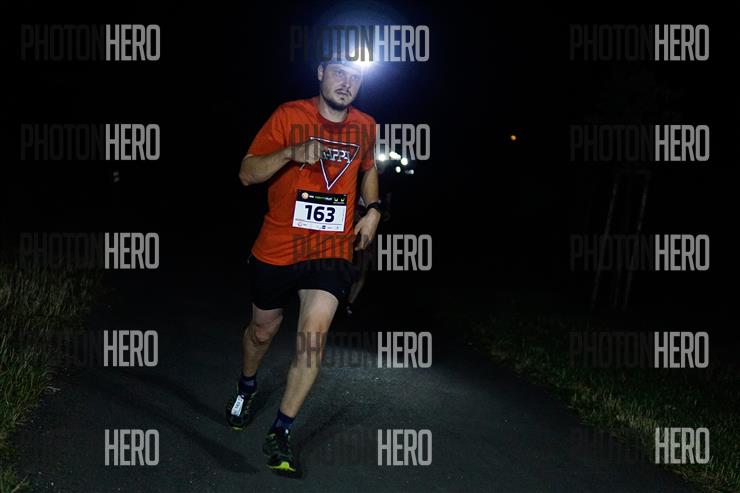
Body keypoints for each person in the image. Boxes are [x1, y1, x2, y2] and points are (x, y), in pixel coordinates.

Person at [227, 57, 382, 475]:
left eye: (355, 76)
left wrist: (373, 209)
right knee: (262, 331)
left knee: (314, 336)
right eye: (339, 72)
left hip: (330, 250)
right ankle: (246, 387)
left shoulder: (366, 125)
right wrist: (291, 152)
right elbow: (246, 173)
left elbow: (369, 169)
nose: (346, 82)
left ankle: (281, 430)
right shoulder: (288, 114)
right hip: (279, 246)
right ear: (320, 73)